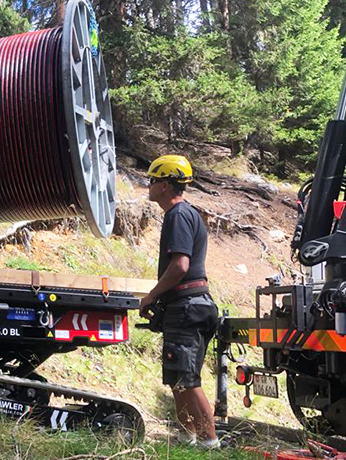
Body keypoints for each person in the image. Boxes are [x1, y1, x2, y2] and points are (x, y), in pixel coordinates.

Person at [139, 155, 219, 448]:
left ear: (164, 185)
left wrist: (152, 295)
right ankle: (187, 438)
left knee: (188, 379)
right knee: (178, 378)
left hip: (187, 308)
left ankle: (210, 444)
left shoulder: (178, 215)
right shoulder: (185, 214)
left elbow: (180, 266)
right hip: (190, 306)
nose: (149, 185)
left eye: (152, 180)